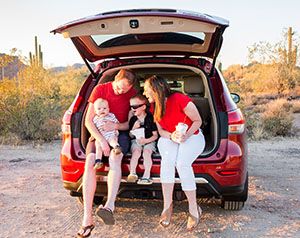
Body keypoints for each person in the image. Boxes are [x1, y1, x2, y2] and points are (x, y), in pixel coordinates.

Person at [77, 69, 137, 238]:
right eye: (118, 88)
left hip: (119, 134)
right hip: (97, 134)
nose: (120, 92)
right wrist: (102, 141)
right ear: (115, 80)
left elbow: (130, 125)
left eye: (124, 90)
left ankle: (109, 206)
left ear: (131, 87)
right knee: (90, 162)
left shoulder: (132, 94)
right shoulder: (100, 90)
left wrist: (115, 127)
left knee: (115, 157)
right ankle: (87, 218)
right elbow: (88, 121)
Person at [143, 75, 205, 231]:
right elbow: (161, 131)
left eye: (146, 90)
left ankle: (193, 208)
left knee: (182, 164)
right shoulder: (153, 106)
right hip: (170, 136)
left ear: (156, 90)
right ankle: (167, 206)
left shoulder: (179, 99)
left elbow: (198, 121)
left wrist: (185, 135)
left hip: (193, 134)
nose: (144, 94)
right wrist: (171, 136)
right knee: (167, 162)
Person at [127, 94, 158, 185]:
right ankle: (132, 173)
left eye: (135, 106)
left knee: (147, 153)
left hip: (149, 140)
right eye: (131, 106)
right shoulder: (133, 119)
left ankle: (146, 175)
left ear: (144, 107)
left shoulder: (150, 118)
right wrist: (133, 128)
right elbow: (130, 135)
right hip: (136, 141)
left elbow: (155, 135)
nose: (133, 109)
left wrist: (146, 141)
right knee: (136, 152)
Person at [92, 98, 122, 169]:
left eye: (104, 108)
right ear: (95, 111)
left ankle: (117, 147)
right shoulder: (95, 119)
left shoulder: (111, 116)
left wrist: (116, 130)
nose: (102, 110)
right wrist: (92, 136)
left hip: (110, 134)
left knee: (113, 140)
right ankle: (98, 161)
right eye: (99, 109)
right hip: (100, 136)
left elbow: (117, 123)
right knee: (98, 146)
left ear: (108, 109)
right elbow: (94, 129)